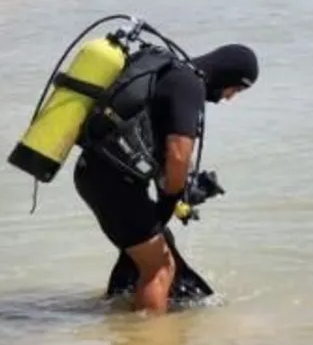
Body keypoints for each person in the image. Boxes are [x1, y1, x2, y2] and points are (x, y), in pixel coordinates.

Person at [72, 43, 259, 314]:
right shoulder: (189, 85)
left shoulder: (172, 74)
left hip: (99, 174)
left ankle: (125, 326)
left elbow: (160, 148)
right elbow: (179, 156)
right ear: (230, 76)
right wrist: (175, 194)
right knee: (160, 267)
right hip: (112, 185)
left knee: (156, 250)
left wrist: (176, 192)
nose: (231, 97)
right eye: (237, 89)